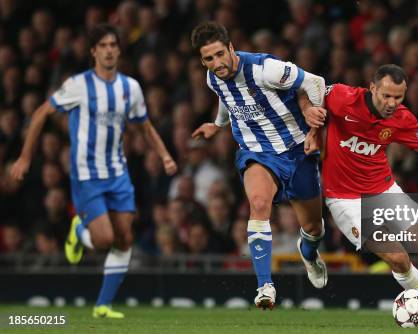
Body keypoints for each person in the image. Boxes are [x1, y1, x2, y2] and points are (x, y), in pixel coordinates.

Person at [10, 24, 177, 318]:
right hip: (87, 175)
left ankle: (102, 305)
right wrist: (25, 156)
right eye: (103, 45)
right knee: (103, 240)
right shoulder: (78, 85)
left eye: (113, 44)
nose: (109, 49)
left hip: (118, 173)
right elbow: (40, 113)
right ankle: (79, 230)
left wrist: (164, 155)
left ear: (119, 50)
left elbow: (145, 126)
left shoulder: (131, 88)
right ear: (93, 51)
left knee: (125, 238)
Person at [302, 64, 418, 328]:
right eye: (386, 96)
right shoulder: (342, 97)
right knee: (397, 257)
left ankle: (413, 282)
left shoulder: (403, 118)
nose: (391, 103)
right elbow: (306, 89)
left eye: (398, 97)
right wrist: (312, 125)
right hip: (345, 198)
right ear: (372, 88)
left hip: (384, 191)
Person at [189, 21, 327, 309]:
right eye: (208, 59)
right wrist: (217, 125)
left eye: (218, 55)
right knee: (259, 203)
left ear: (230, 48)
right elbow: (228, 101)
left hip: (297, 149)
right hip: (256, 151)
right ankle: (265, 286)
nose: (215, 63)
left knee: (313, 226)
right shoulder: (212, 78)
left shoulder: (266, 69)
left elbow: (315, 83)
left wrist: (315, 131)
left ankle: (309, 251)